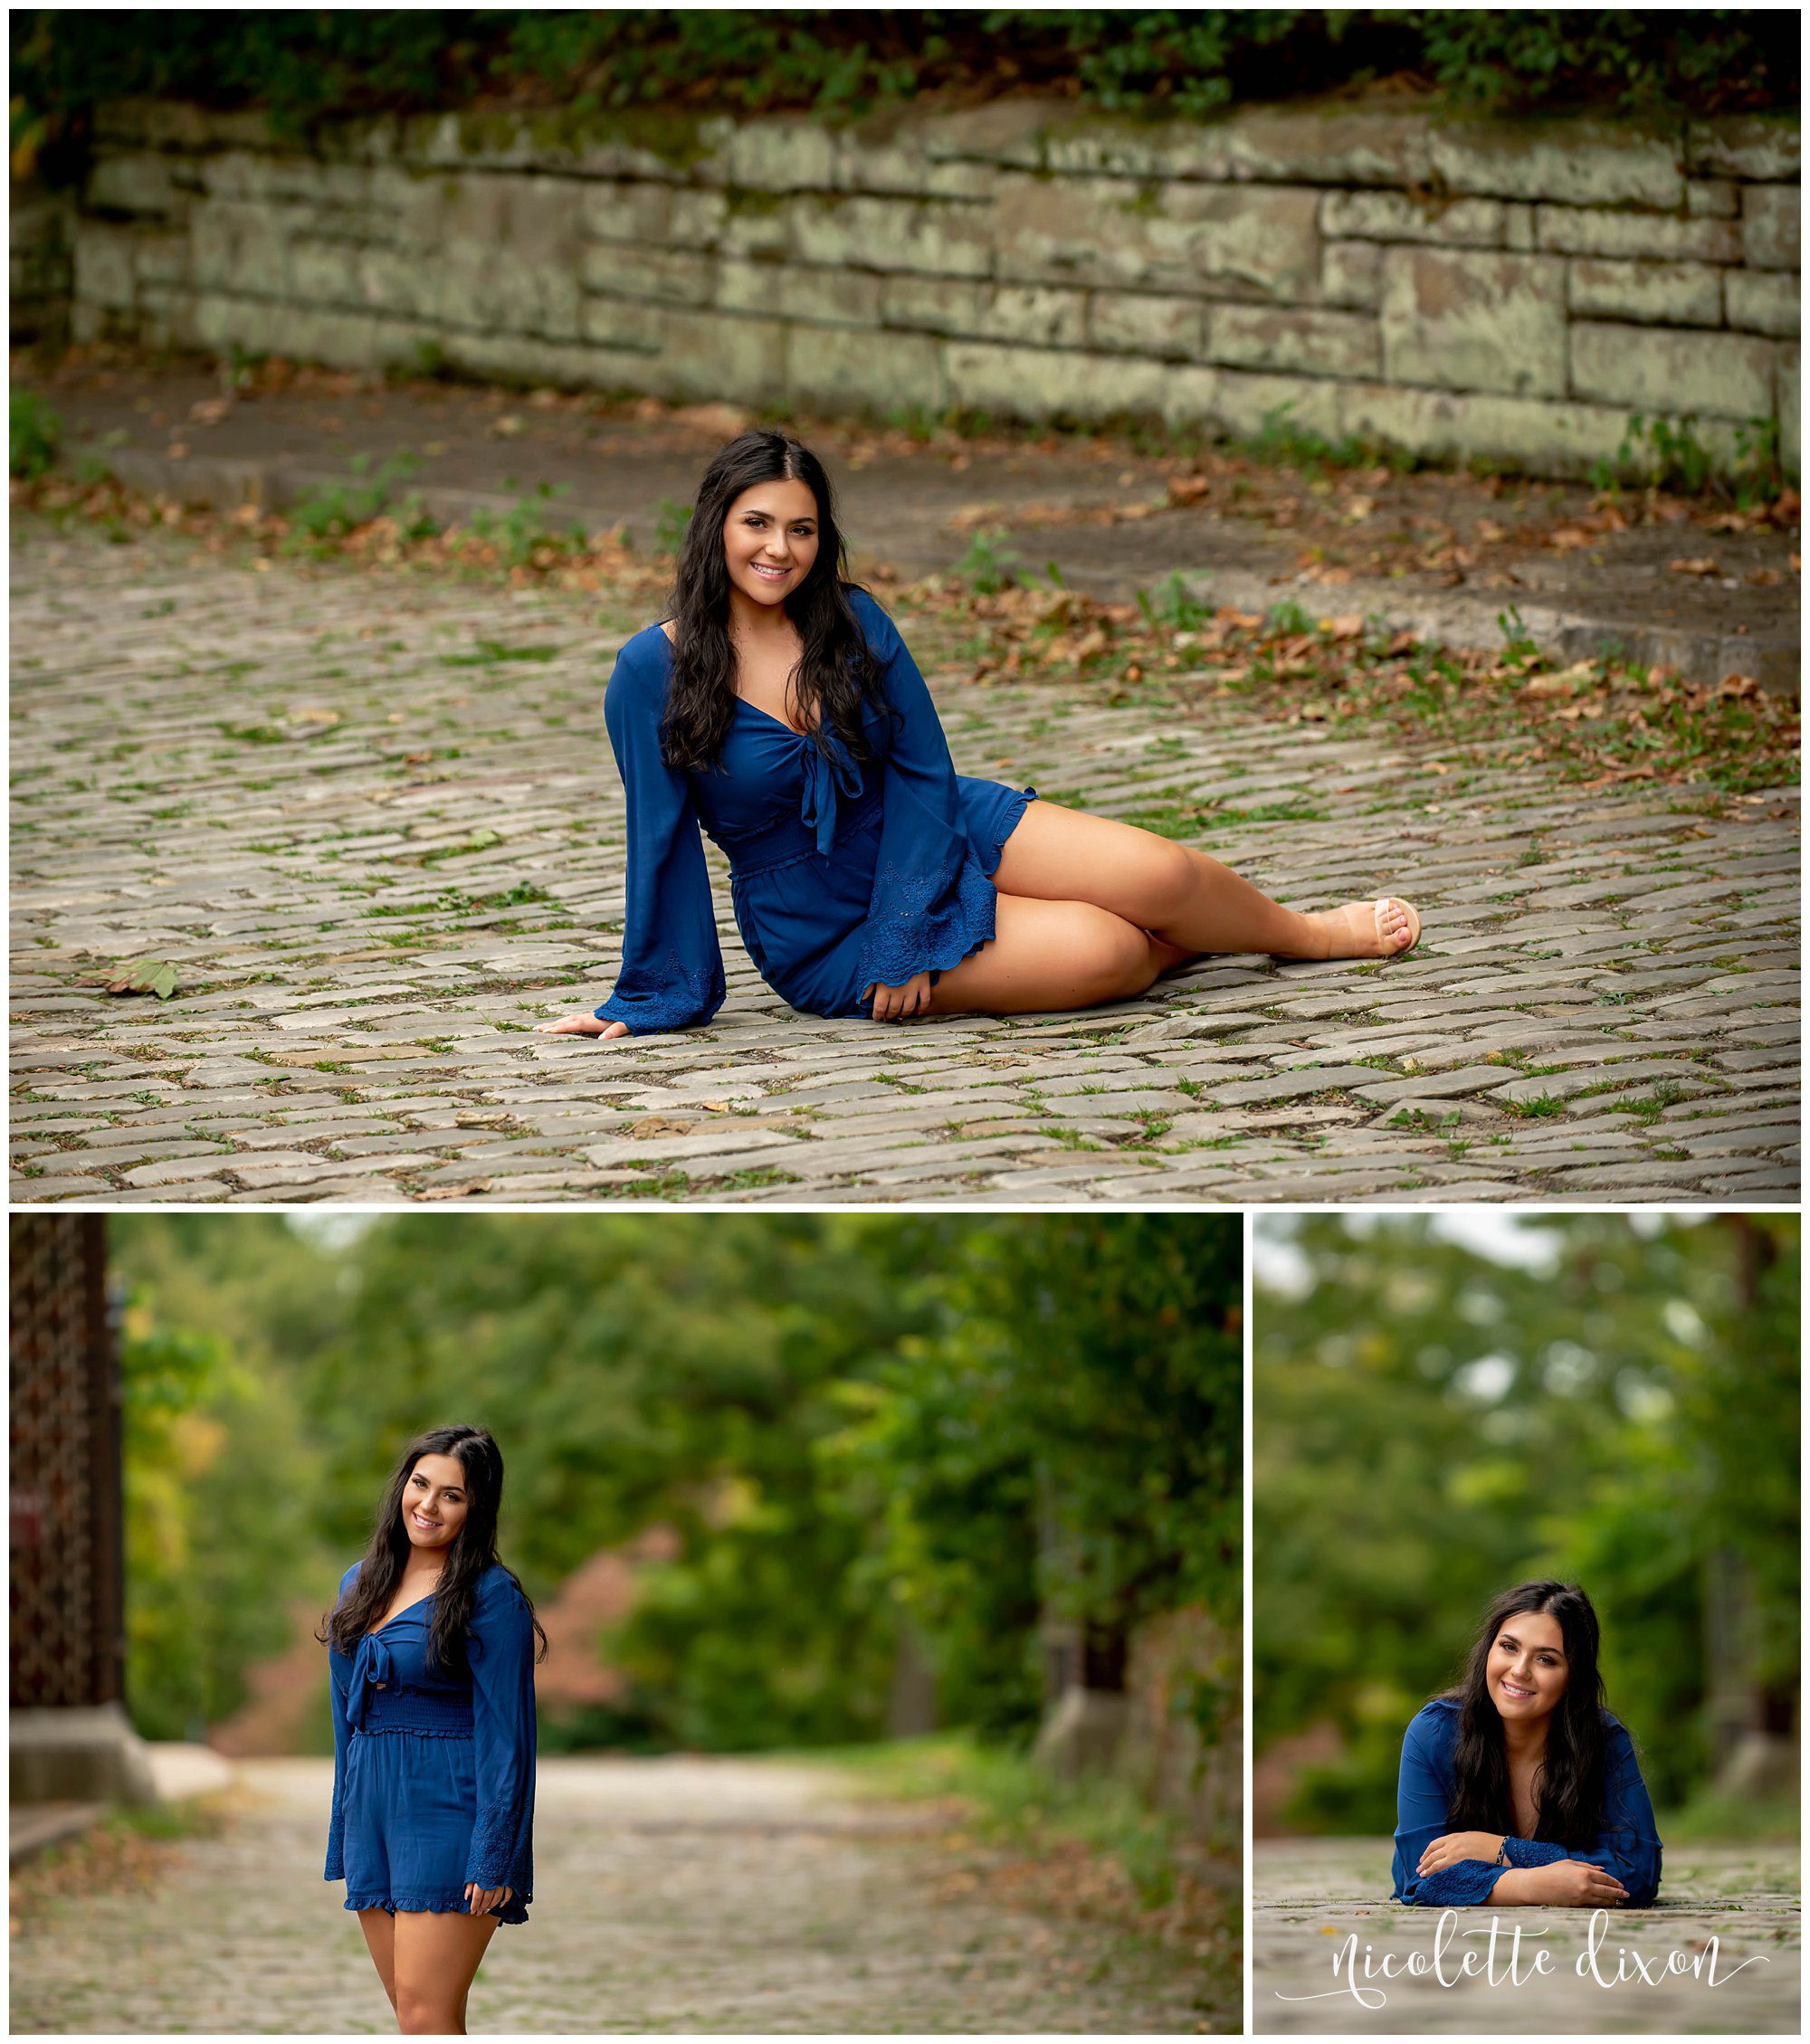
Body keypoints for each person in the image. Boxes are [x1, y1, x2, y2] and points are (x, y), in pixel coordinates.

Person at [535, 429, 1420, 1040]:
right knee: (1103, 950)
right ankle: (1175, 941)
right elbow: (659, 843)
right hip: (823, 927)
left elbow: (921, 765)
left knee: (1161, 872)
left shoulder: (852, 620)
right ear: (715, 526)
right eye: (756, 524)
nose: (778, 549)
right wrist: (651, 997)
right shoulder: (648, 672)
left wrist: (908, 925)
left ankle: (1303, 934)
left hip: (933, 826)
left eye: (800, 529)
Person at [320, 1425, 544, 2033]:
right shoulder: (357, 1583)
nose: (428, 1504)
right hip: (374, 1813)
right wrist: (344, 1829)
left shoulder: (491, 1597)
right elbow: (348, 1721)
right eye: (421, 1483)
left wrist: (496, 1850)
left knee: (425, 2012)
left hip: (451, 1810)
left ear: (477, 1508)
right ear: (403, 1485)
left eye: (453, 1494)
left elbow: (509, 1737)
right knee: (415, 2016)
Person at [1391, 1580, 1662, 1908]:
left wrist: (1500, 1850)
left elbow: (1636, 1873)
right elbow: (1420, 1879)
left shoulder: (1604, 1740)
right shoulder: (1434, 1732)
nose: (1519, 1670)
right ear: (1488, 1650)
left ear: (1573, 1677)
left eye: (1546, 1660)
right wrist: (1532, 1884)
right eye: (1509, 1647)